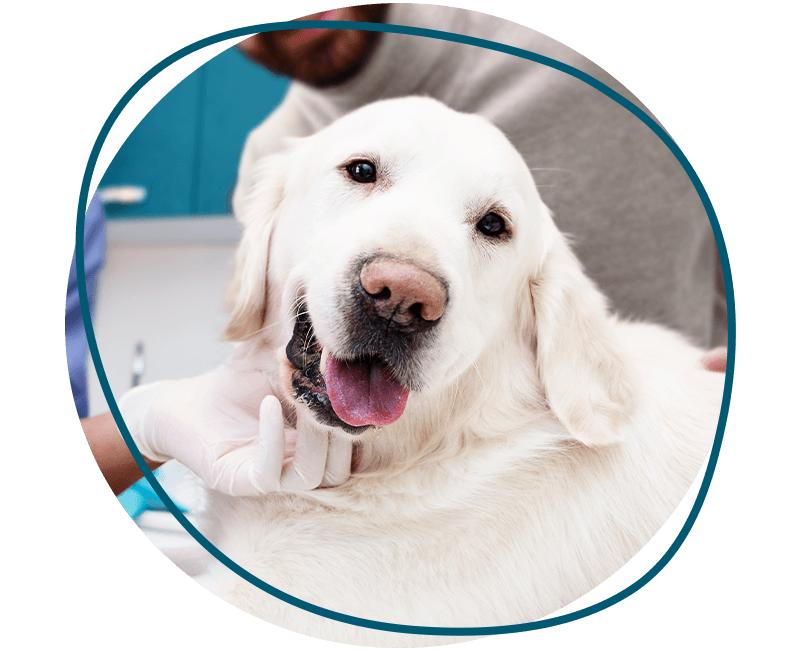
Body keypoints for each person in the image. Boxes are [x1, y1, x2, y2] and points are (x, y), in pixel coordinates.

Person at [76, 4, 727, 499]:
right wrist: (149, 421)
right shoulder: (270, 160)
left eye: (493, 225)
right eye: (361, 173)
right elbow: (267, 342)